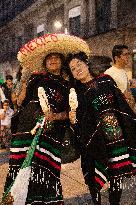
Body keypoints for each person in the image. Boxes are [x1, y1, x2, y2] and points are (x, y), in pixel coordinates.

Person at [2, 34, 90, 205]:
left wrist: (54, 116)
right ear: (44, 62)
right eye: (49, 58)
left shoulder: (68, 86)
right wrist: (24, 83)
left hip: (51, 134)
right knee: (20, 169)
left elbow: (71, 112)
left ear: (62, 62)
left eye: (56, 57)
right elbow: (19, 102)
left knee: (46, 171)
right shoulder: (36, 78)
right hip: (26, 132)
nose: (53, 60)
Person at [66, 52, 136, 205]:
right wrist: (73, 120)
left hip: (115, 137)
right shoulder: (76, 93)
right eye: (73, 69)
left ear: (86, 64)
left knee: (117, 174)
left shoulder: (106, 80)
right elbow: (79, 121)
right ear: (72, 74)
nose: (77, 69)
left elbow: (120, 104)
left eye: (79, 64)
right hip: (94, 140)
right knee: (93, 177)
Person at [104, 44, 135, 111]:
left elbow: (128, 91)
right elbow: (106, 96)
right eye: (125, 54)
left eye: (128, 54)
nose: (128, 57)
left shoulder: (123, 71)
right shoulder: (109, 73)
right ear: (116, 58)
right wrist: (123, 96)